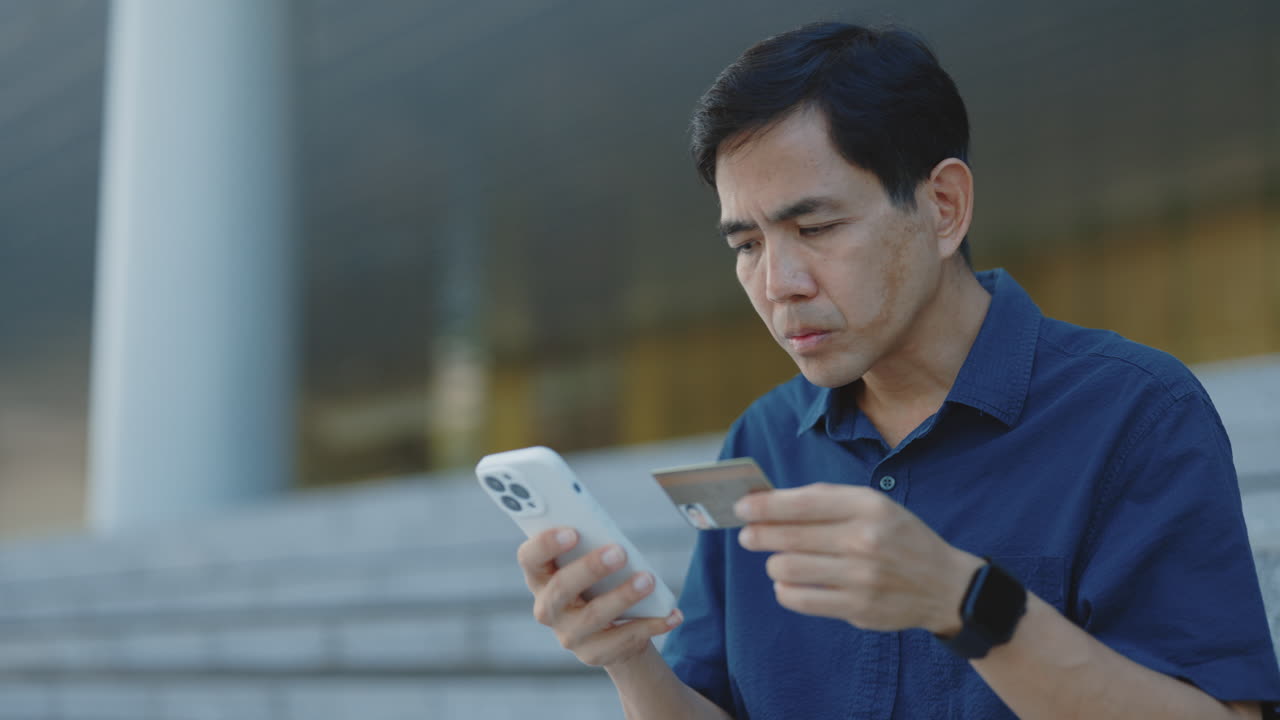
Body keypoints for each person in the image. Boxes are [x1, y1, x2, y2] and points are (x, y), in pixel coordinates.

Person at [515, 21, 1280, 719]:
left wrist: (961, 600)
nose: (778, 283)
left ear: (943, 207)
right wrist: (628, 658)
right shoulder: (763, 439)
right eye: (746, 245)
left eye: (816, 227)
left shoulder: (1136, 412)